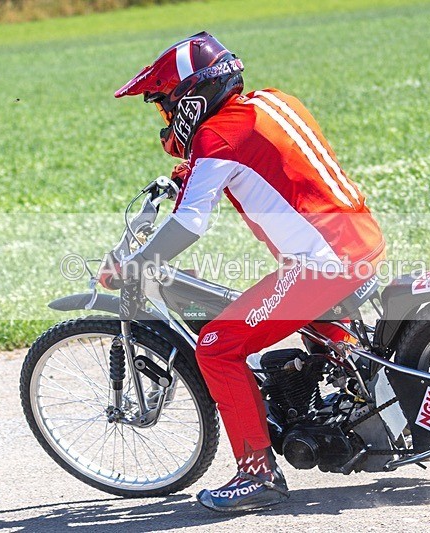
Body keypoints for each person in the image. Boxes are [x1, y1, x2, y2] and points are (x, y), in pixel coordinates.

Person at [102, 32, 385, 512]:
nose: (167, 120)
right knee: (304, 330)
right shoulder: (272, 103)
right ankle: (355, 400)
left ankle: (258, 475)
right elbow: (259, 160)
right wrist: (185, 179)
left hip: (323, 265)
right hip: (358, 241)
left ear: (190, 99)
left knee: (216, 346)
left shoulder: (216, 138)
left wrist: (137, 263)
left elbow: (190, 223)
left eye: (165, 107)